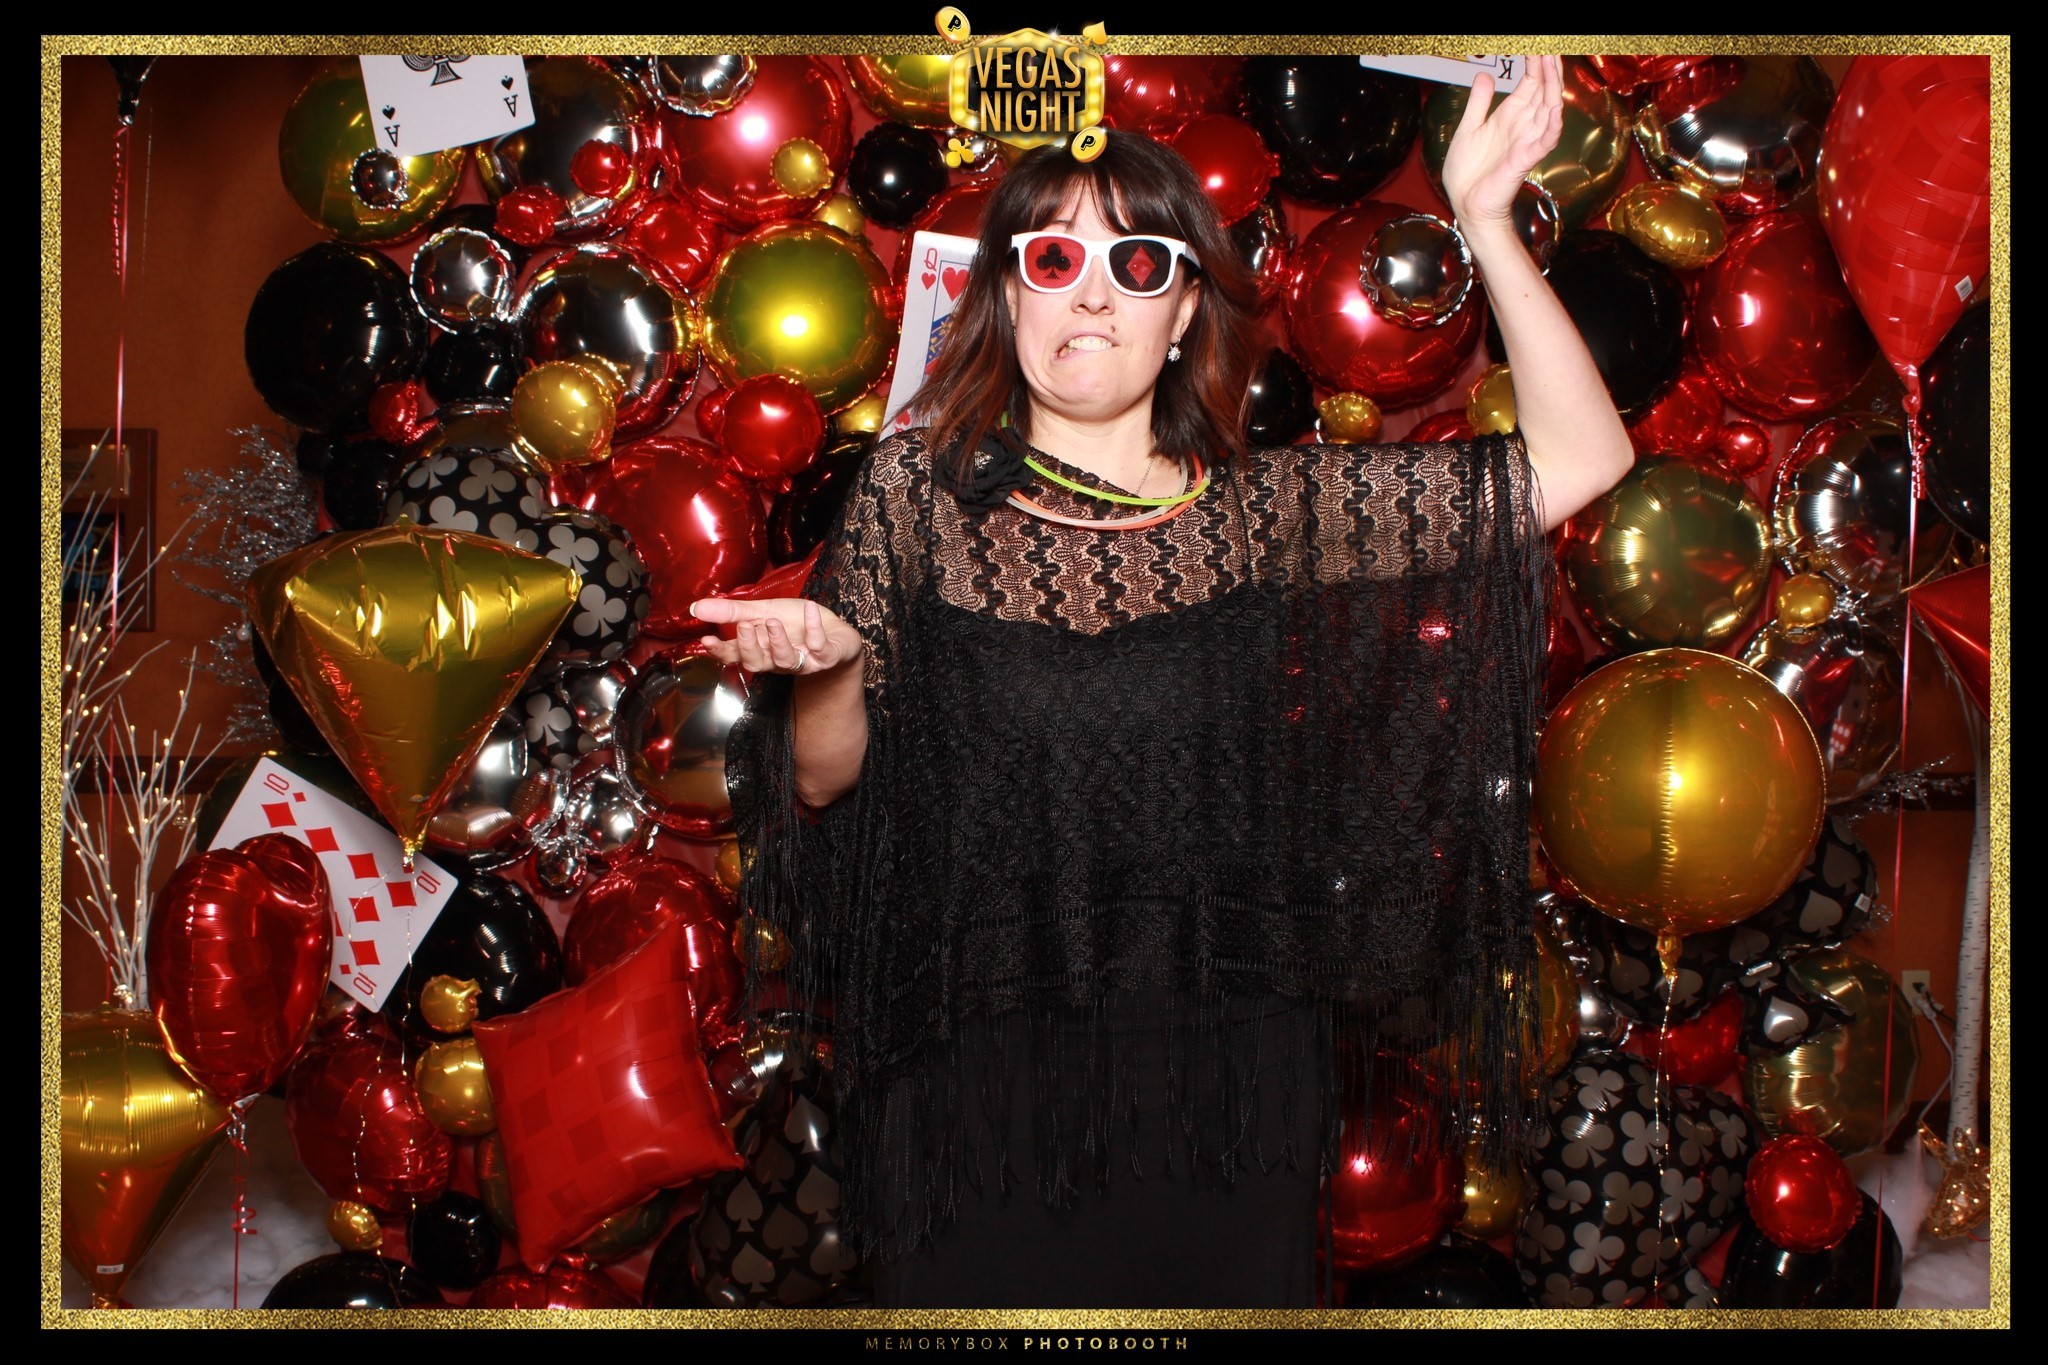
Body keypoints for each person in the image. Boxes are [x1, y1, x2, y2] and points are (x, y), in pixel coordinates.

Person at [693, 56, 1632, 1307]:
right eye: (1052, 259)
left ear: (1183, 310)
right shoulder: (914, 497)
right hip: (979, 1080)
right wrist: (837, 669)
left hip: (1223, 1085)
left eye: (1137, 264)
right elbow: (822, 783)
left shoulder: (1263, 511)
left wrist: (1482, 216)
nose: (1093, 293)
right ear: (1005, 297)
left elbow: (1580, 457)